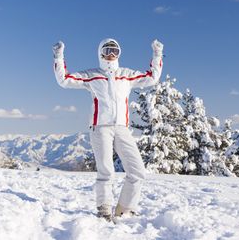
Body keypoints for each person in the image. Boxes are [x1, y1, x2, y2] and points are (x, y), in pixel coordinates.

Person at [52, 38, 163, 221]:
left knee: (137, 170)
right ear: (100, 53)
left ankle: (125, 209)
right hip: (100, 127)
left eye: (115, 50)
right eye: (107, 50)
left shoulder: (126, 75)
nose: (111, 54)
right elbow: (64, 80)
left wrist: (157, 54)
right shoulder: (93, 75)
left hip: (121, 128)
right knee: (106, 171)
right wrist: (58, 56)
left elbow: (152, 77)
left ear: (119, 54)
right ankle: (104, 209)